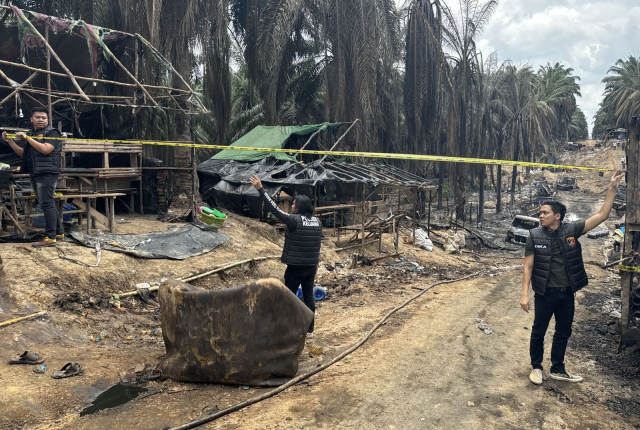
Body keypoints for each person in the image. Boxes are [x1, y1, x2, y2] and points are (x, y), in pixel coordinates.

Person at [520, 171, 624, 385]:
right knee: (538, 331)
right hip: (545, 293)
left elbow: (601, 215)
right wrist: (524, 295)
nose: (540, 216)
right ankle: (537, 367)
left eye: (545, 213)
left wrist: (612, 188)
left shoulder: (571, 230)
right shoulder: (534, 236)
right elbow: (528, 267)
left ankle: (558, 368)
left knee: (563, 331)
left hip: (567, 293)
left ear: (557, 216)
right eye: (540, 213)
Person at [249, 174, 322, 338]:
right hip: (311, 267)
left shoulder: (293, 220)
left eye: (294, 203)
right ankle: (309, 330)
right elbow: (316, 242)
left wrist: (261, 190)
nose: (292, 206)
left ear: (299, 207)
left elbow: (274, 209)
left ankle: (286, 329)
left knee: (288, 297)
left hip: (295, 268)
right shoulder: (317, 222)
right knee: (309, 296)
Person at [1, 107, 63, 247]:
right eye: (37, 117)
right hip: (35, 172)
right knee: (45, 202)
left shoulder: (53, 132)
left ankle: (50, 237)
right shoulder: (32, 133)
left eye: (44, 118)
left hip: (47, 172)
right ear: (31, 119)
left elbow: (46, 149)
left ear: (47, 120)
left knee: (46, 203)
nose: (41, 120)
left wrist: (27, 138)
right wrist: (10, 141)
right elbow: (24, 154)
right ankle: (59, 232)